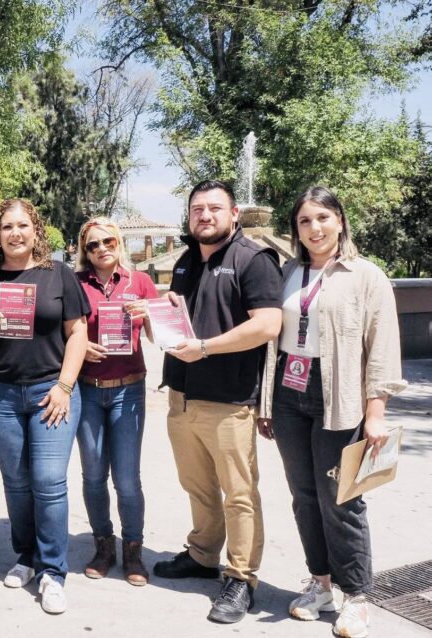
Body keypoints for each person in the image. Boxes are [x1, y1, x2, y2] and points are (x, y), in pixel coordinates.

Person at [257, 186, 405, 638]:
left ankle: (356, 596)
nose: (314, 228)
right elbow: (271, 337)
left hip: (339, 394)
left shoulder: (366, 276)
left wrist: (375, 412)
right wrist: (266, 403)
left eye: (322, 217)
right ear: (295, 229)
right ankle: (320, 584)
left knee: (341, 499)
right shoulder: (288, 272)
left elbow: (381, 349)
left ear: (340, 220)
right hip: (288, 391)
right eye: (304, 220)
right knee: (304, 496)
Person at [151, 180, 283, 624]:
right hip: (182, 395)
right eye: (197, 209)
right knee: (198, 485)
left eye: (214, 208)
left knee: (239, 494)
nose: (204, 216)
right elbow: (183, 321)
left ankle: (242, 577)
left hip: (229, 399)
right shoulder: (187, 260)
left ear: (234, 213)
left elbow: (267, 325)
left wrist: (205, 348)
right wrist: (159, 313)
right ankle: (203, 554)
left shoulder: (254, 259)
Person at [0, 199, 89, 614]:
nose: (15, 233)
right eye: (7, 226)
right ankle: (26, 555)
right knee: (16, 480)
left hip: (52, 392)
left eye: (23, 225)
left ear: (35, 230)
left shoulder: (58, 274)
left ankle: (53, 571)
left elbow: (78, 332)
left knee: (49, 480)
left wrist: (64, 386)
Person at [73, 217, 158, 586]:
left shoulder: (140, 282)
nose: (101, 249)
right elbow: (61, 331)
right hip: (87, 389)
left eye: (108, 241)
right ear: (85, 251)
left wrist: (151, 313)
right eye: (93, 245)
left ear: (119, 242)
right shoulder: (76, 283)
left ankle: (133, 549)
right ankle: (103, 545)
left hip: (128, 389)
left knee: (126, 477)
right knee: (93, 475)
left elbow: (159, 337)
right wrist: (79, 347)